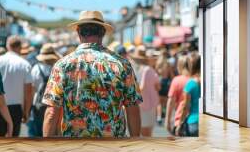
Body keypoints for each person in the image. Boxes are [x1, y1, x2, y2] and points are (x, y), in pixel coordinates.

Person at [42, 10, 142, 138]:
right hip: (113, 147)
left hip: (74, 147)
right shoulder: (122, 64)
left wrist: (46, 147)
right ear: (103, 32)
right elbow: (132, 109)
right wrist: (135, 143)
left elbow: (51, 112)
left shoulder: (62, 65)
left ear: (78, 32)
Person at [0, 35, 33, 137]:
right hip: (16, 108)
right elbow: (28, 91)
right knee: (14, 137)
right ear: (20, 47)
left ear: (7, 46)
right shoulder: (24, 64)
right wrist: (27, 112)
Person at [28, 43, 60, 137]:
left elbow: (32, 89)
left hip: (38, 104)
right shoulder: (57, 68)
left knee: (37, 131)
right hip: (52, 104)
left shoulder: (36, 69)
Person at [131, 46, 160, 137]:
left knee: (141, 133)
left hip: (139, 104)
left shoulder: (135, 69)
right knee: (147, 134)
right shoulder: (149, 70)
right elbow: (158, 87)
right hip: (149, 104)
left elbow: (141, 87)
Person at [176, 52, 201, 137]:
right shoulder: (208, 83)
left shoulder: (190, 84)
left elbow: (185, 106)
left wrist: (180, 123)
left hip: (193, 122)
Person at [165, 54, 190, 135]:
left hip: (180, 120)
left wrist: (167, 121)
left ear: (179, 66)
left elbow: (170, 102)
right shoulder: (195, 80)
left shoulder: (176, 80)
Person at [156, 54, 172, 124]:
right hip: (167, 82)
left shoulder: (158, 64)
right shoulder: (168, 64)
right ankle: (165, 115)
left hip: (160, 81)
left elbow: (156, 73)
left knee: (159, 102)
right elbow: (171, 74)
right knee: (166, 100)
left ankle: (159, 117)